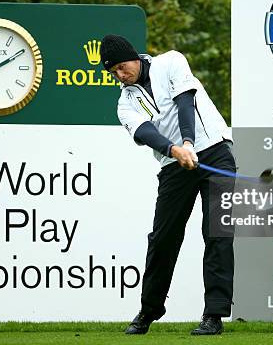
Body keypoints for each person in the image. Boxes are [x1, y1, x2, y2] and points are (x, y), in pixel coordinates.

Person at [100, 34, 236, 335]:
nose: (121, 75)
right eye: (114, 73)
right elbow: (147, 132)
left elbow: (186, 103)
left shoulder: (170, 61)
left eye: (123, 67)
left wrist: (187, 141)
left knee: (218, 233)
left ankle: (213, 315)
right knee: (163, 238)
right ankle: (149, 311)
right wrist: (176, 151)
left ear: (134, 57)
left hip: (214, 150)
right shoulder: (125, 104)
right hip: (174, 165)